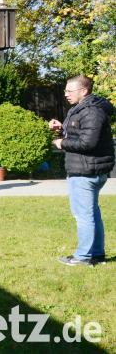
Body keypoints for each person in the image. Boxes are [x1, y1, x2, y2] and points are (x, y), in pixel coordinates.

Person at [50, 75, 113, 266]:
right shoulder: (83, 109)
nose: (65, 94)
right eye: (65, 90)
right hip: (87, 168)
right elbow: (80, 134)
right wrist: (62, 129)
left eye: (70, 90)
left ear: (84, 91)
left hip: (86, 171)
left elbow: (88, 143)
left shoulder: (92, 111)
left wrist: (62, 143)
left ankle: (84, 256)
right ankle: (96, 253)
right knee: (92, 213)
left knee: (84, 215)